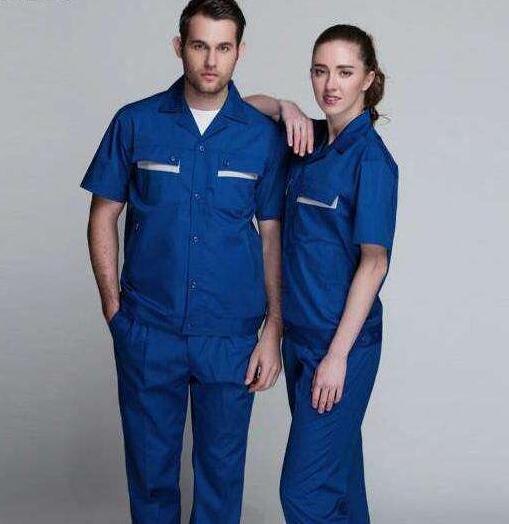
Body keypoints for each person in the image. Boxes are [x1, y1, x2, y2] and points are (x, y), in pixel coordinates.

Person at [79, 1, 288, 522]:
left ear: (239, 52)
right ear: (179, 47)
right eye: (199, 46)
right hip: (149, 329)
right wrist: (113, 309)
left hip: (231, 336)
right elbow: (102, 214)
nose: (211, 61)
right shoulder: (135, 122)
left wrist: (273, 329)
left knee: (221, 478)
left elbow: (272, 236)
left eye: (223, 48)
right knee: (150, 476)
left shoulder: (263, 137)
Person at [246, 24, 399, 523]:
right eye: (320, 71)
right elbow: (240, 110)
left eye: (345, 72)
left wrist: (337, 357)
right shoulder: (305, 140)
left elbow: (375, 262)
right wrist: (284, 106)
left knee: (305, 493)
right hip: (299, 339)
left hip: (340, 347)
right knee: (341, 483)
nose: (330, 84)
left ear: (368, 79)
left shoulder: (371, 162)